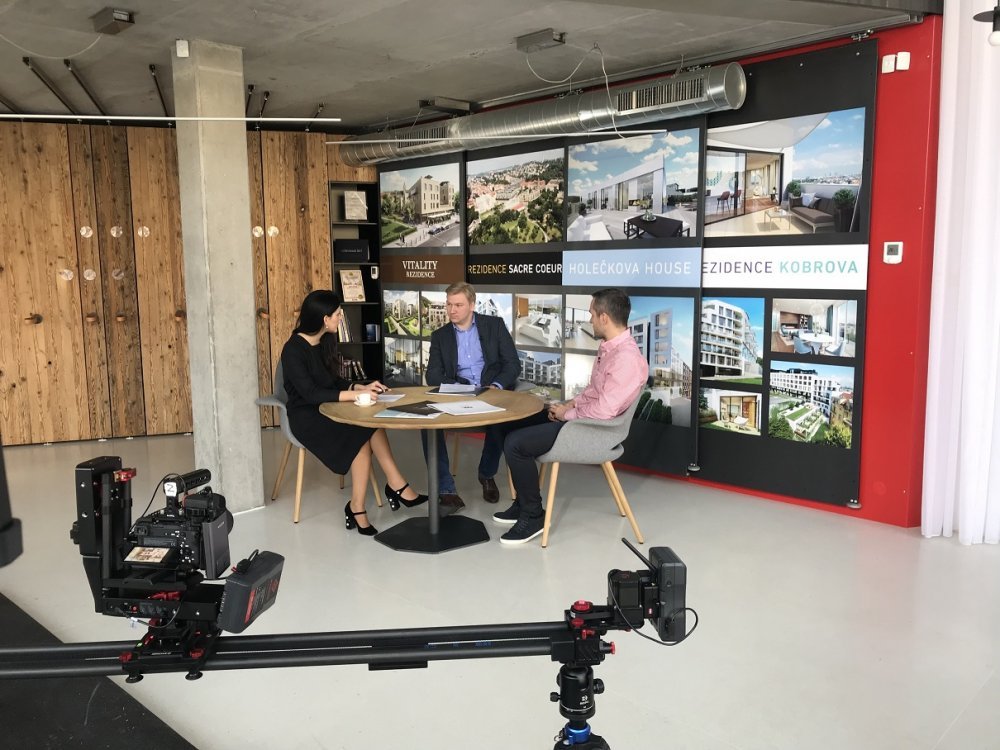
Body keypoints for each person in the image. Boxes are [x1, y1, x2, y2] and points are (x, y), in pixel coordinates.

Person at [493, 288, 647, 545]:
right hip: (582, 419)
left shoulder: (627, 359)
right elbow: (594, 392)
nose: (590, 320)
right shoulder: (609, 348)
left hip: (594, 430)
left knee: (516, 444)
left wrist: (568, 414)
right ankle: (523, 502)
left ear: (604, 318)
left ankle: (533, 515)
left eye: (592, 314)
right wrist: (570, 404)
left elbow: (605, 411)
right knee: (507, 426)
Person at [280, 290, 427, 536]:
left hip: (330, 407)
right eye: (338, 314)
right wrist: (355, 396)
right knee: (361, 437)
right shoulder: (293, 349)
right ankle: (367, 502)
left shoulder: (324, 342)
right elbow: (310, 393)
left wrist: (358, 387)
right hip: (307, 416)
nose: (340, 318)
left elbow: (332, 381)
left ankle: (392, 486)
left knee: (371, 423)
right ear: (324, 319)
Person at [423, 282, 519, 511]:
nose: (452, 310)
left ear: (472, 305)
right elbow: (432, 374)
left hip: (490, 391)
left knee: (501, 419)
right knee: (427, 425)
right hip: (458, 394)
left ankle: (486, 474)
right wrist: (458, 387)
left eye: (458, 305)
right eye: (449, 304)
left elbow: (512, 364)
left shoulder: (494, 326)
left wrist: (496, 385)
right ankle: (446, 490)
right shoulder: (440, 336)